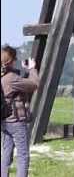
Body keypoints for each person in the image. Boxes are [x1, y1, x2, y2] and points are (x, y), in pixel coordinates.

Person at [1, 45, 39, 177]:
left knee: (6, 154)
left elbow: (18, 86)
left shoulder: (4, 76)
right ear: (11, 60)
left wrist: (24, 72)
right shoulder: (12, 78)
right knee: (23, 156)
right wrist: (32, 69)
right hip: (16, 121)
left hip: (5, 121)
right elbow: (34, 84)